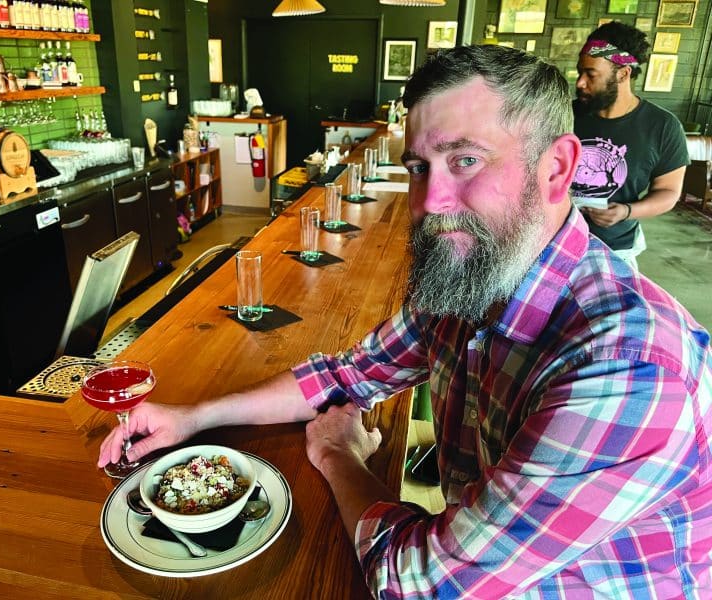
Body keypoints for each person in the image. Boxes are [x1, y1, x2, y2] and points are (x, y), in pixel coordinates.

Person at [99, 46, 712, 598]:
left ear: (556, 168)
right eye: (419, 168)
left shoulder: (628, 366)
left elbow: (420, 585)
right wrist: (194, 416)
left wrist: (339, 455)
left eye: (465, 160)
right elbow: (347, 374)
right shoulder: (472, 280)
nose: (431, 203)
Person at [572, 21, 689, 268]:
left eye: (591, 74)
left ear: (623, 74)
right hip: (558, 239)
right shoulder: (564, 114)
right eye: (580, 72)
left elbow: (668, 192)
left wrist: (626, 211)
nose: (580, 82)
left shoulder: (662, 127)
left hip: (616, 249)